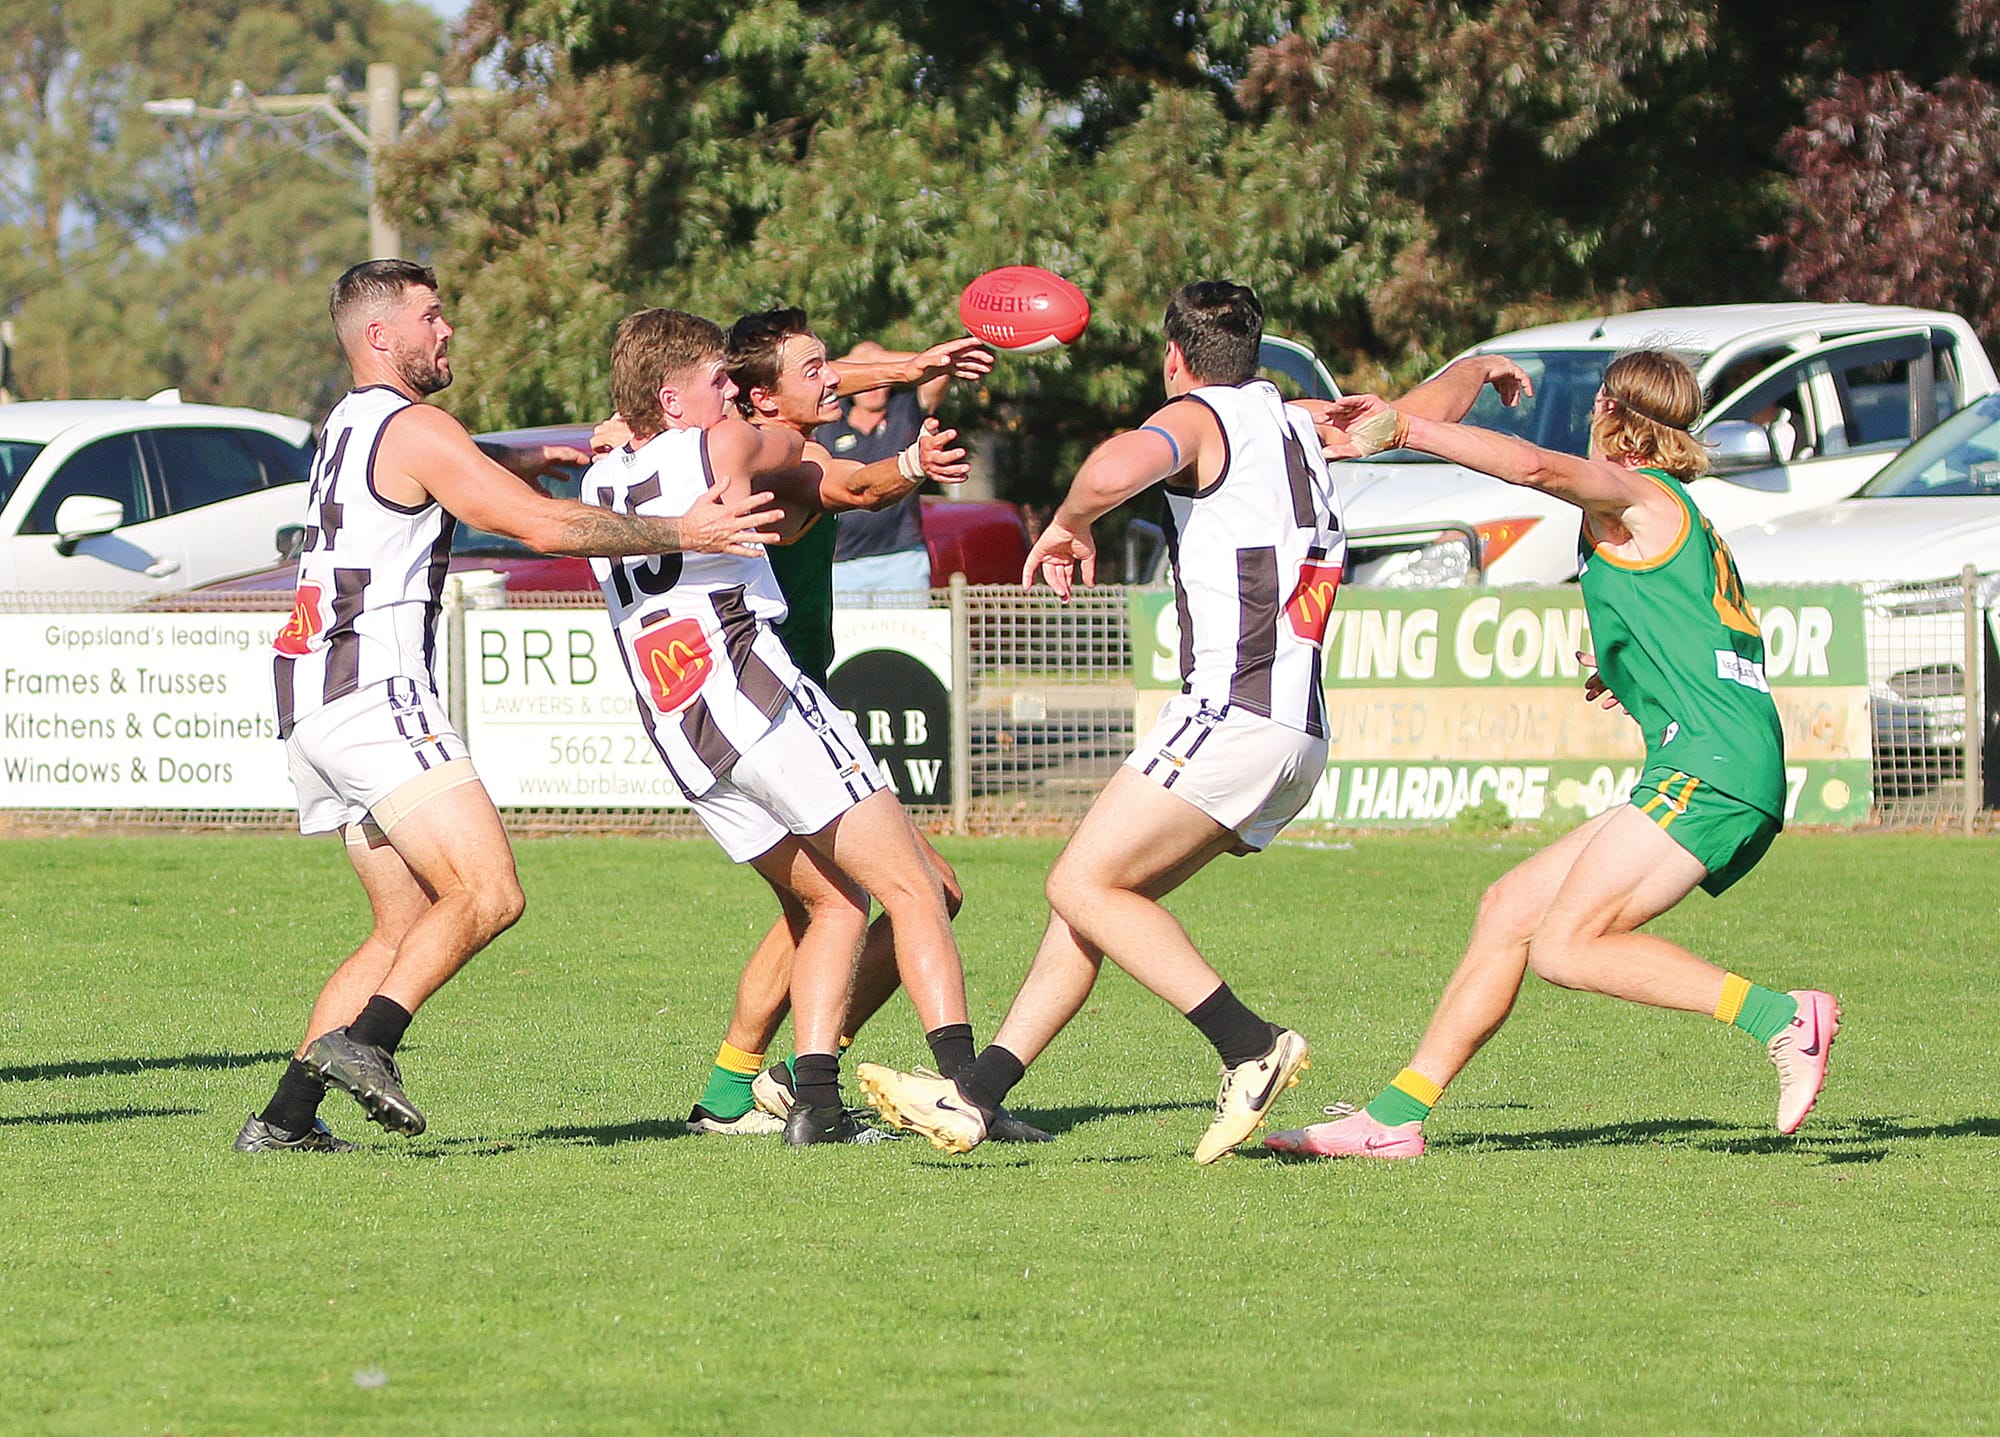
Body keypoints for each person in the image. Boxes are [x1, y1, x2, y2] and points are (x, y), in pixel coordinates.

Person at [235, 260, 779, 1154]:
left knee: (406, 926)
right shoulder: (416, 425)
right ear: (382, 337)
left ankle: (286, 1122)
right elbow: (543, 529)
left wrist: (532, 455)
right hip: (373, 691)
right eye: (431, 316)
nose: (447, 329)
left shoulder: (347, 422)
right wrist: (688, 530)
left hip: (309, 695)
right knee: (489, 892)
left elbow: (446, 472)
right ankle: (370, 1044)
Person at [1264, 349, 1839, 1162]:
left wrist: (1409, 427)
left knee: (1568, 946)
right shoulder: (1674, 514)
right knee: (1509, 911)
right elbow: (1706, 636)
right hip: (1711, 759)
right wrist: (1627, 666)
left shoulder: (1637, 492)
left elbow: (1534, 466)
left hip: (1710, 768)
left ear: (1613, 411)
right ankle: (1393, 1117)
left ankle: (1781, 1018)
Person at [852, 280, 1341, 1164]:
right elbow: (1396, 418)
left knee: (1080, 885)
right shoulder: (1296, 420)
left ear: (1175, 360)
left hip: (1232, 707)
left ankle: (1248, 1043)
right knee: (1102, 902)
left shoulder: (1200, 417)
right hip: (1297, 728)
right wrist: (1470, 380)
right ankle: (976, 1093)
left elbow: (1119, 466)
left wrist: (1072, 521)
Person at [584, 307, 992, 1146]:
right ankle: (964, 1088)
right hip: (768, 692)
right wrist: (910, 455)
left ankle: (771, 1093)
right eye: (810, 370)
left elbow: (782, 421)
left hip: (686, 724)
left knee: (828, 905)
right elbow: (842, 483)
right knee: (923, 887)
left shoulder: (609, 477)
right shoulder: (746, 444)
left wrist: (907, 369)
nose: (831, 377)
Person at [820, 339, 955, 600]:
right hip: (842, 562)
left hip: (901, 558)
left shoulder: (905, 409)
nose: (873, 389)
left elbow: (940, 367)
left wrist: (887, 361)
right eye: (867, 376)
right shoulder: (829, 417)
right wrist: (868, 361)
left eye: (880, 377)